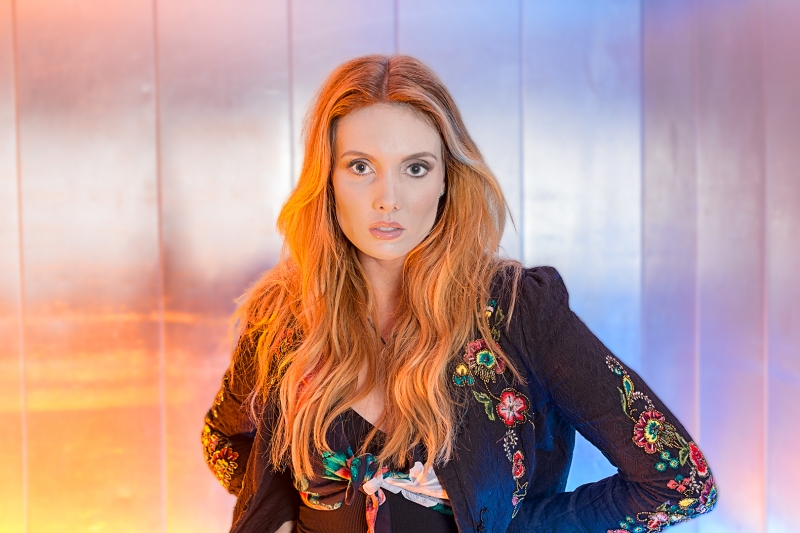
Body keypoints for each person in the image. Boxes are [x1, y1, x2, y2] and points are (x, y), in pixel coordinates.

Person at [201, 55, 717, 533]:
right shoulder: (285, 312)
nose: (388, 199)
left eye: (415, 168)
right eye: (360, 167)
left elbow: (680, 482)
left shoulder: (515, 311)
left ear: (447, 178)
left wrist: (511, 528)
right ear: (327, 178)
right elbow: (223, 439)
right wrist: (277, 514)